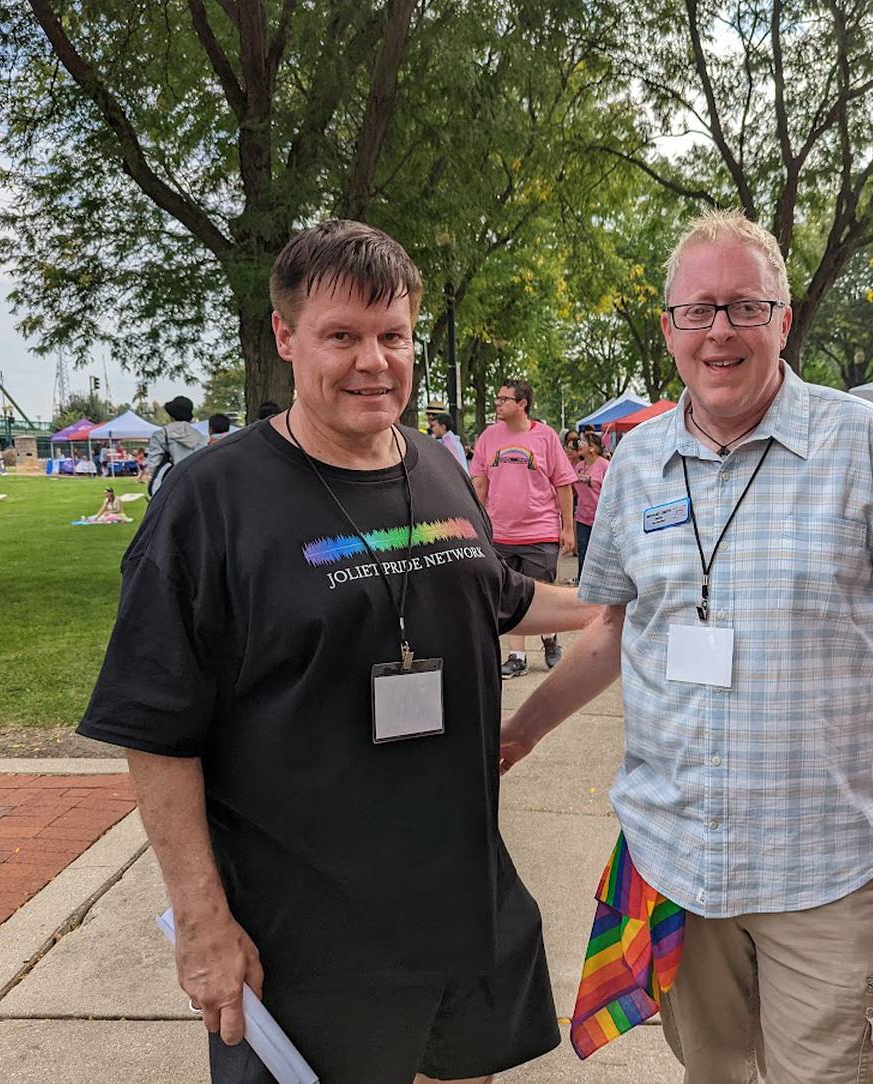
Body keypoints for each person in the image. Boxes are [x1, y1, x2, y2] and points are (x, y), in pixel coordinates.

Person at [78, 219, 598, 1084]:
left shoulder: (435, 463)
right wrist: (201, 917)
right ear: (286, 337)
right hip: (304, 930)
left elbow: (495, 596)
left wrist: (620, 601)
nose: (374, 361)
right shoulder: (213, 500)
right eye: (342, 337)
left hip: (463, 899)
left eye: (393, 335)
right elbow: (156, 724)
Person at [499, 210, 873, 1084]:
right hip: (676, 865)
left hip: (824, 871)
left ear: (783, 318)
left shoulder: (862, 444)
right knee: (711, 1073)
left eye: (744, 306)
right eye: (697, 310)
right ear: (669, 328)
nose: (719, 330)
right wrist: (520, 731)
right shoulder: (637, 463)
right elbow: (613, 627)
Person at [470, 378, 577, 677]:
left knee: (542, 594)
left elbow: (564, 484)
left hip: (540, 532)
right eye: (497, 398)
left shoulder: (545, 438)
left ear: (522, 404)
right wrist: (474, 524)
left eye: (504, 399)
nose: (497, 403)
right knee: (507, 596)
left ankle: (549, 640)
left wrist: (567, 528)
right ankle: (517, 656)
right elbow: (479, 484)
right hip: (500, 533)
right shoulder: (488, 438)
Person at [146, 396, 207, 494]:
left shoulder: (161, 435)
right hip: (196, 484)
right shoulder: (201, 437)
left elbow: (153, 464)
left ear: (171, 415)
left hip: (169, 485)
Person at [573, 432, 608, 582]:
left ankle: (601, 583)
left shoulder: (604, 466)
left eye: (582, 442)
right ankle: (582, 583)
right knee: (583, 551)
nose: (578, 445)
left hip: (601, 518)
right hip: (582, 517)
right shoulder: (579, 466)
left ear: (592, 448)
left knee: (600, 553)